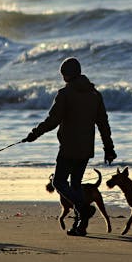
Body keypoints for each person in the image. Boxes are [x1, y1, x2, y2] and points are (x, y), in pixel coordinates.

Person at [22, 57, 117, 236]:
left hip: (68, 148)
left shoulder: (65, 94)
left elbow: (53, 120)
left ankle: (83, 209)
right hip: (86, 149)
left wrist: (35, 133)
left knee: (59, 182)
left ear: (66, 75)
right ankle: (80, 227)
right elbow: (103, 123)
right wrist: (109, 148)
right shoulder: (95, 94)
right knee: (75, 186)